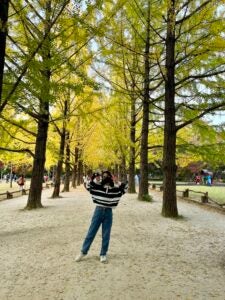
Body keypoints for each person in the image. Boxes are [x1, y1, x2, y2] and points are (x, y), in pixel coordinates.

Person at [75, 170, 128, 263]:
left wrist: (116, 181)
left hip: (108, 212)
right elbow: (87, 185)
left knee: (106, 234)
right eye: (104, 176)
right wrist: (94, 178)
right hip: (98, 211)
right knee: (91, 232)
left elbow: (125, 188)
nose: (106, 177)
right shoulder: (97, 187)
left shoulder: (114, 189)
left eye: (108, 176)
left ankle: (103, 254)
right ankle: (83, 251)